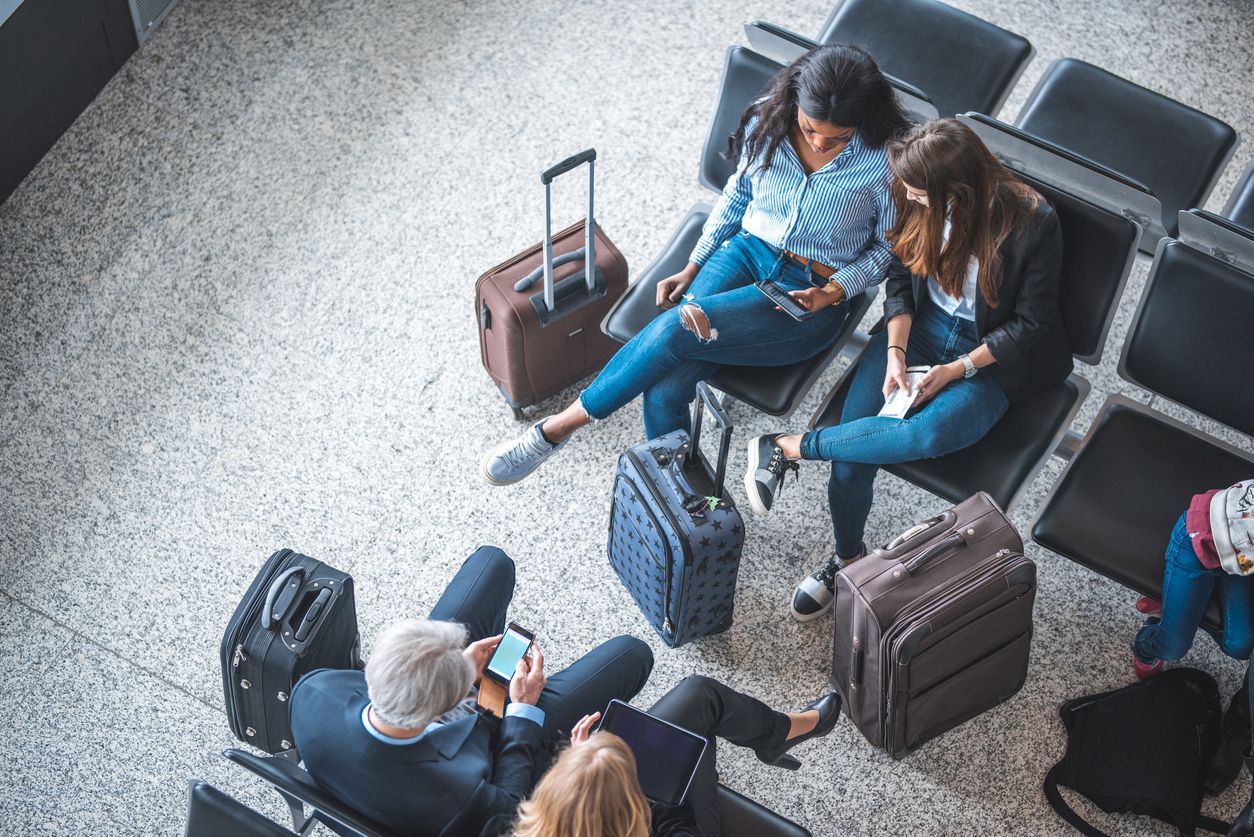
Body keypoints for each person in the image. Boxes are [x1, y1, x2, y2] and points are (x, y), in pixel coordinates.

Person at [481, 43, 910, 486]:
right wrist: (695, 263)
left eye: (837, 137)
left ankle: (554, 430)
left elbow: (888, 251)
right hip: (747, 251)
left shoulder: (886, 160)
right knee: (664, 393)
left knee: (677, 327)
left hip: (810, 293)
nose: (820, 142)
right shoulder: (771, 118)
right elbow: (739, 195)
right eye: (809, 128)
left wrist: (836, 289)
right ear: (796, 101)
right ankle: (686, 503)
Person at [742, 117, 1070, 622]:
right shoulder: (914, 192)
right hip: (918, 328)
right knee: (852, 461)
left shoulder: (1031, 220)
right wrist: (895, 351)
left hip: (989, 354)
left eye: (920, 196)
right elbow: (899, 275)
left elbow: (1032, 324)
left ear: (954, 192)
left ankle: (788, 446)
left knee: (924, 435)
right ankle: (848, 560)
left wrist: (956, 369)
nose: (912, 201)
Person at [289, 546, 655, 837]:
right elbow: (510, 804)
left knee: (492, 563)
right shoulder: (459, 799)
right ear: (449, 706)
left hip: (382, 759)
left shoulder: (312, 692)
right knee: (633, 655)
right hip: (492, 746)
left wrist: (455, 668)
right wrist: (522, 711)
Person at [485, 676, 842, 836]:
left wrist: (582, 767)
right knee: (689, 728)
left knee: (700, 695)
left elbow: (516, 789)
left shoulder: (501, 828)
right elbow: (677, 825)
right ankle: (782, 735)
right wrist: (655, 787)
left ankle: (776, 736)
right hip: (669, 825)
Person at [1131, 480, 1254, 799]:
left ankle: (1177, 605)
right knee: (1173, 646)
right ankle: (1147, 639)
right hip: (1200, 538)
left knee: (1240, 646)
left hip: (1242, 560)